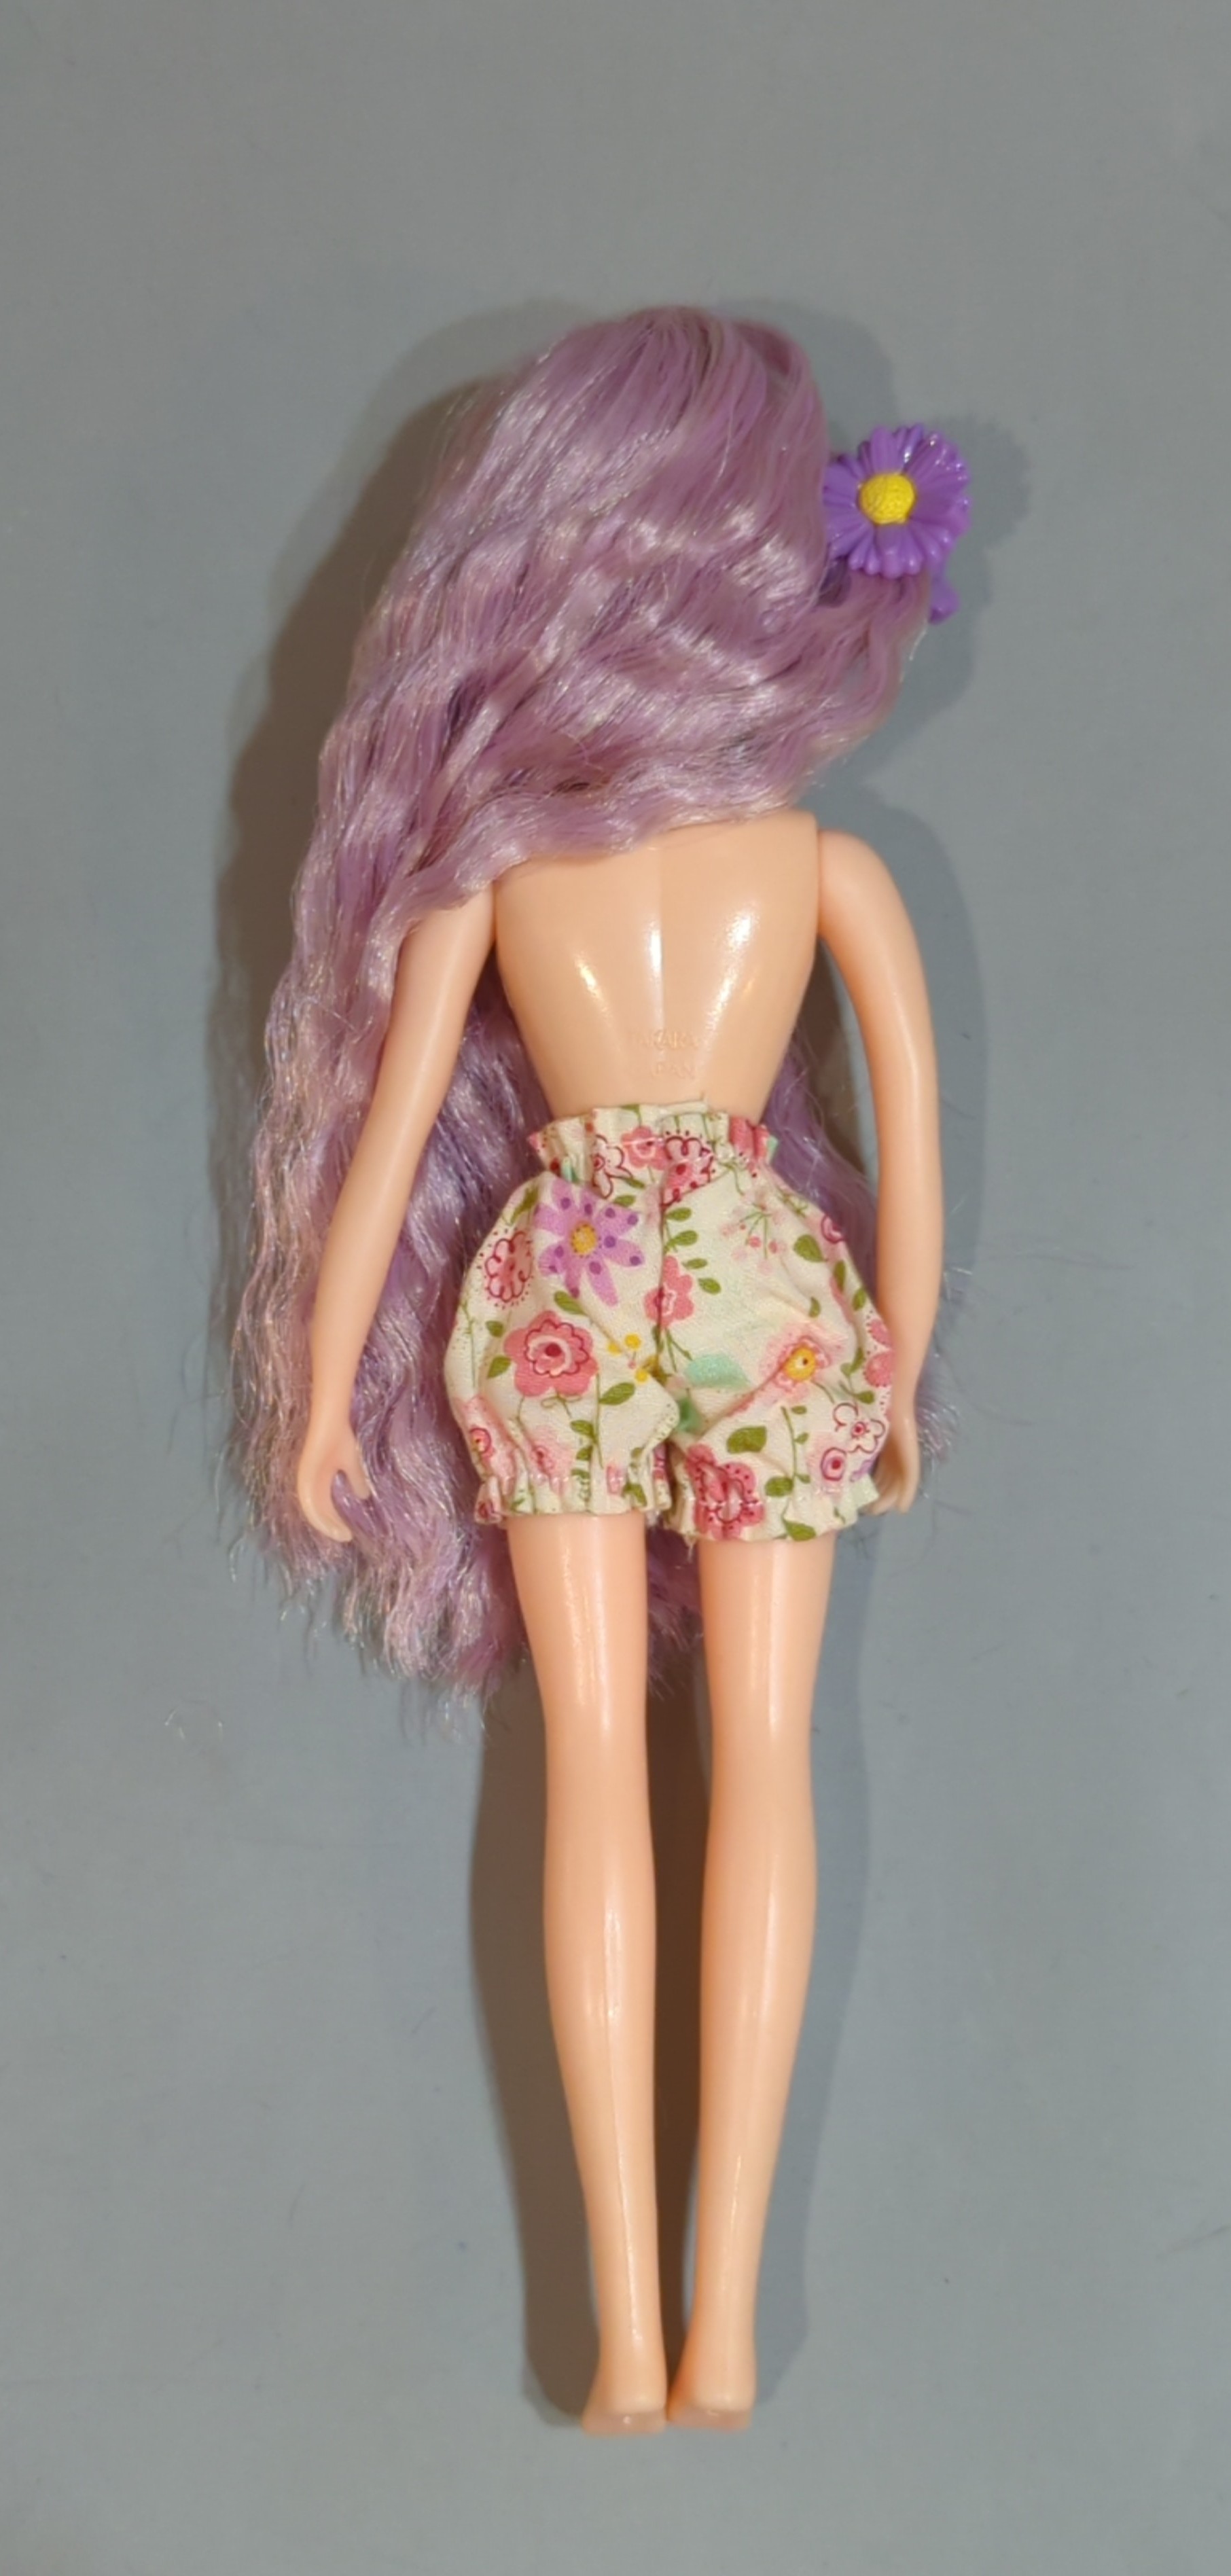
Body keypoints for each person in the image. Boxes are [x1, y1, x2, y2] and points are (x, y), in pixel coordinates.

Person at [234, 306, 965, 2431]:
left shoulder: (499, 876)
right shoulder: (823, 869)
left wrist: (318, 1390)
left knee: (588, 1773)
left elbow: (381, 1150)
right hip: (764, 1290)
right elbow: (909, 1159)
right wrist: (891, 1371)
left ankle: (632, 2327)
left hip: (558, 1288)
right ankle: (712, 2326)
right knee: (764, 1763)